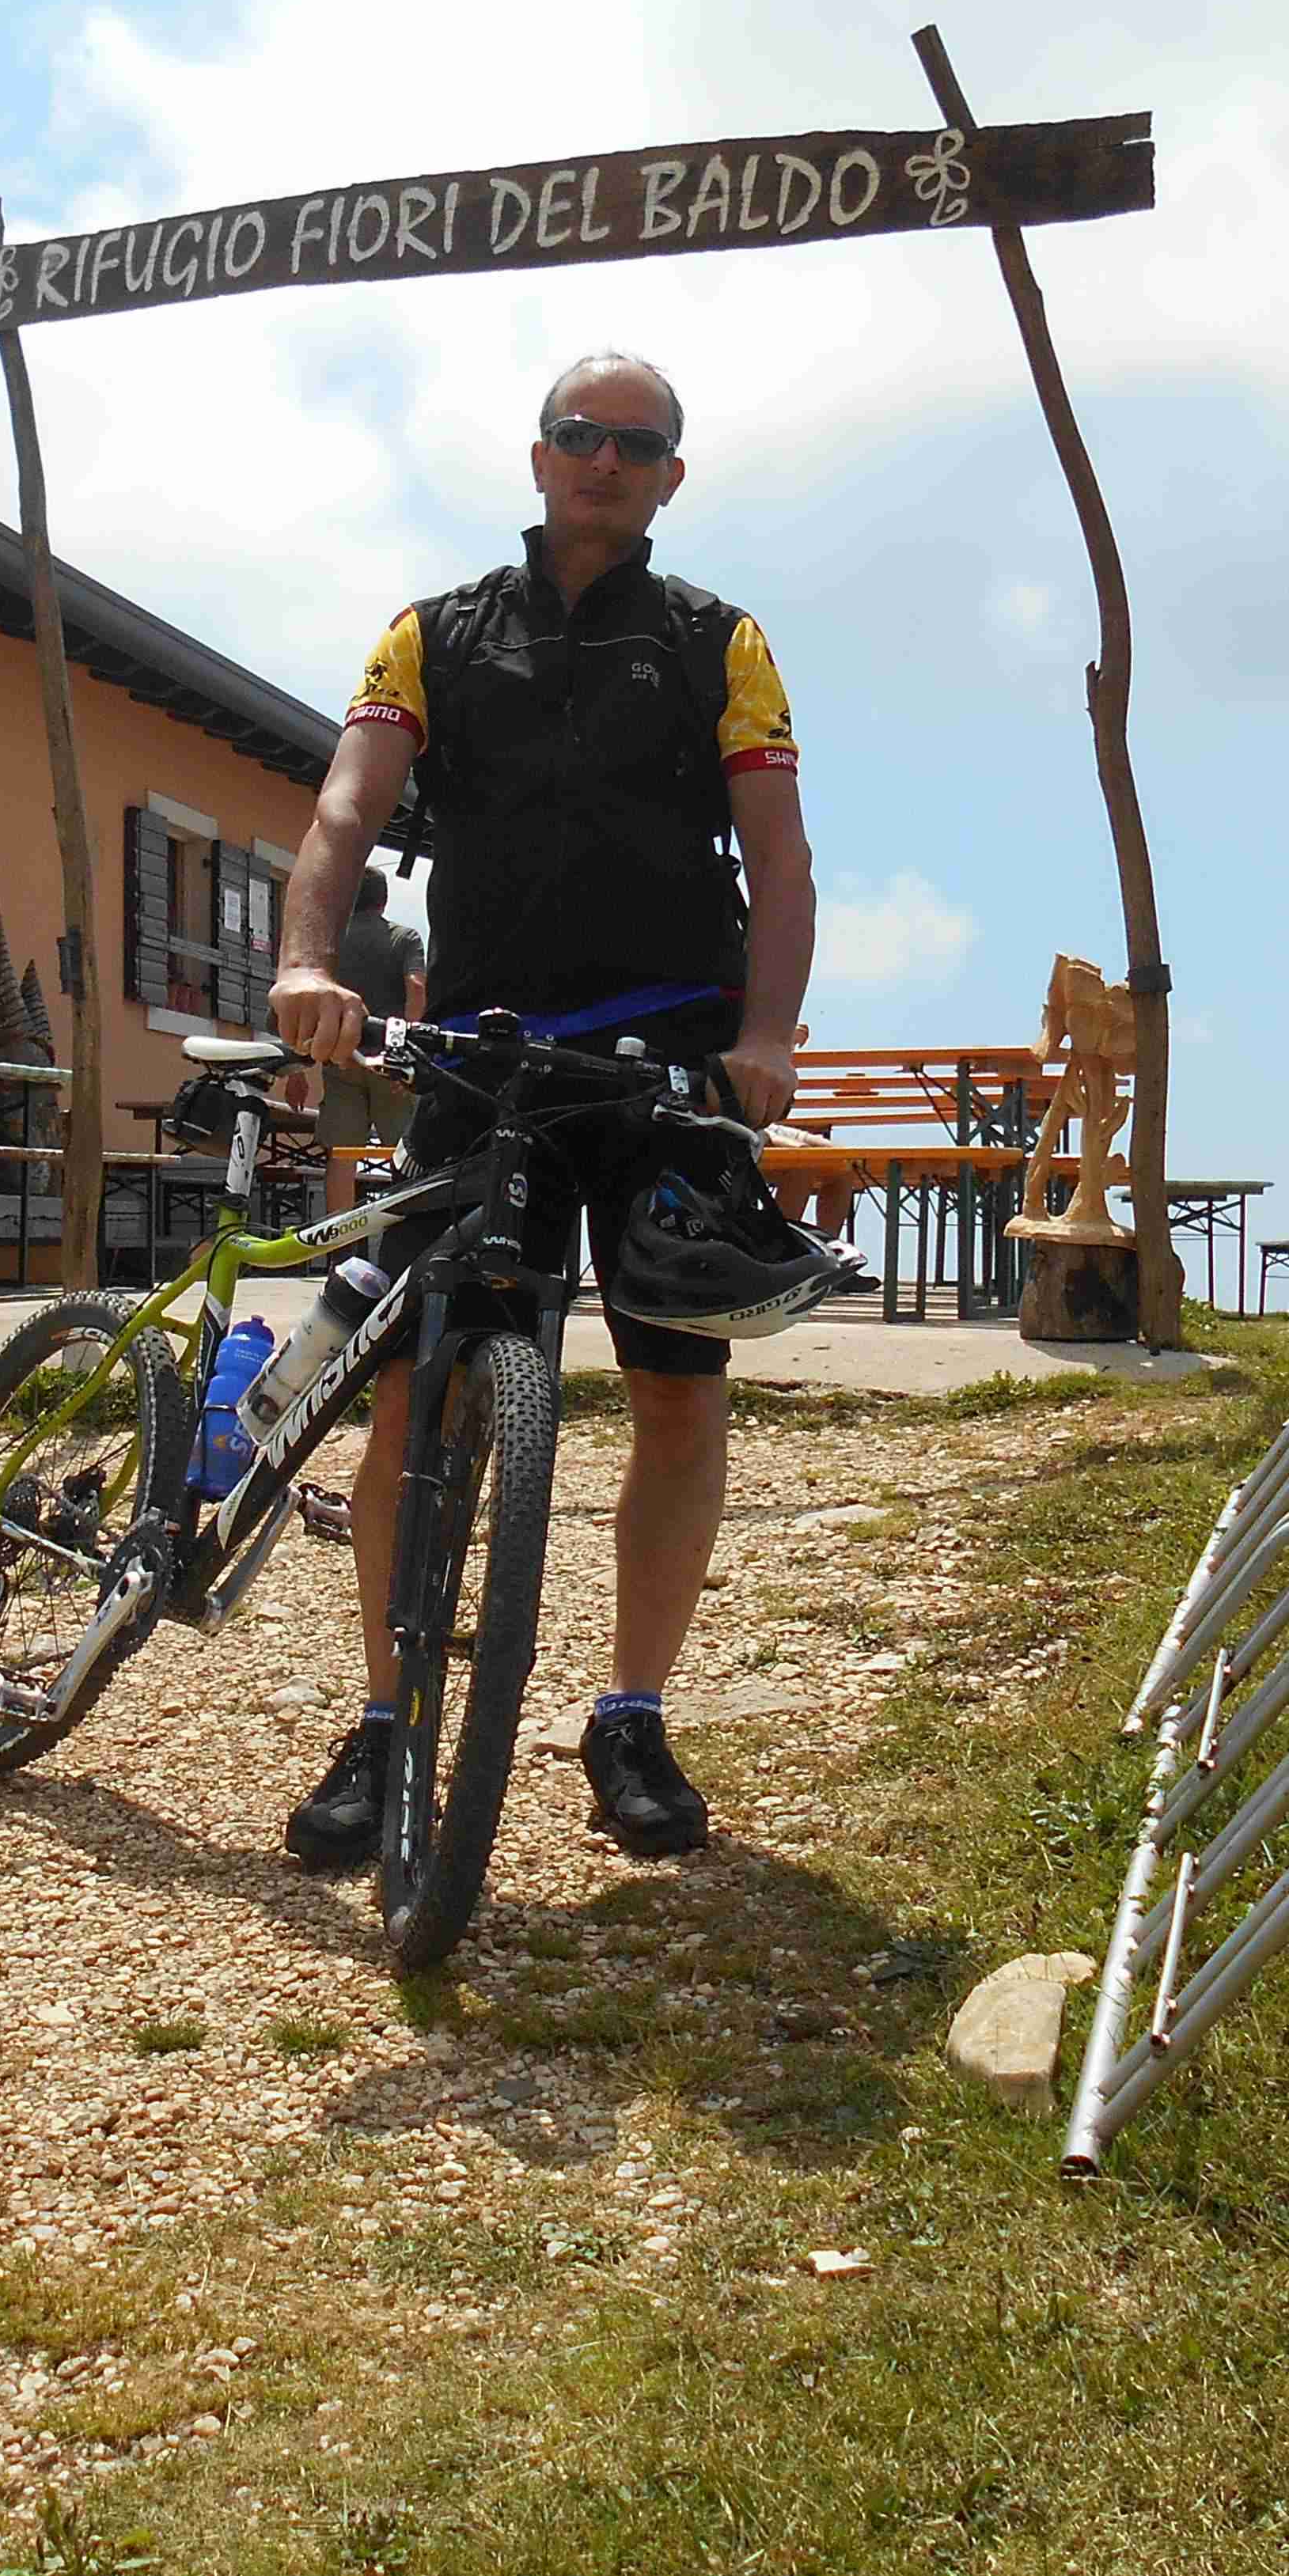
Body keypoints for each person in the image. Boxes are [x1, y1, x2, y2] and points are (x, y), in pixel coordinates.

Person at [265, 351, 816, 1865]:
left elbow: (779, 858)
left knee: (673, 1389)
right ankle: (384, 1724)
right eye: (581, 435)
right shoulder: (432, 633)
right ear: (537, 453)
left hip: (665, 1066)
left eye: (637, 443)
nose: (604, 460)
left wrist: (765, 1033)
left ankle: (630, 1710)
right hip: (485, 1058)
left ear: (670, 478)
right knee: (419, 1394)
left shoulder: (719, 640)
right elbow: (343, 811)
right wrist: (308, 961)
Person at [314, 869, 426, 1188]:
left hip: (341, 1055)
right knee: (403, 1152)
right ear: (384, 899)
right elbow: (416, 987)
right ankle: (402, 1230)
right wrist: (408, 1047)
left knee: (341, 1154)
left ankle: (337, 1236)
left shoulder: (331, 943)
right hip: (390, 1061)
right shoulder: (404, 938)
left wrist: (297, 1070)